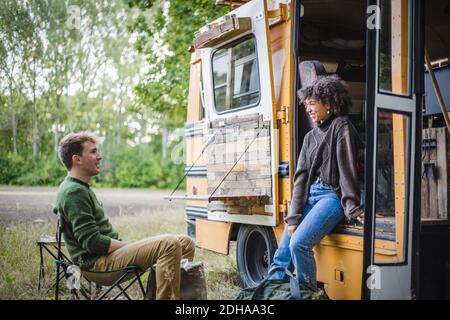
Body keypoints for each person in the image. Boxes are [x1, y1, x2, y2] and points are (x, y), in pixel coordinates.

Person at [54, 131, 195, 300]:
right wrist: (129, 245)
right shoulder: (74, 192)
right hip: (97, 265)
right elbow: (92, 242)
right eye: (93, 151)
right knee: (169, 244)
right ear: (77, 159)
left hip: (106, 258)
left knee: (185, 243)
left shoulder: (78, 187)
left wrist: (132, 247)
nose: (99, 156)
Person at [269, 75, 364, 289]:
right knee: (281, 254)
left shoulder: (342, 126)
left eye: (312, 104)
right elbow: (301, 179)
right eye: (306, 105)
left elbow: (347, 170)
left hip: (331, 197)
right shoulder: (310, 137)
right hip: (311, 195)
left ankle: (307, 293)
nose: (308, 109)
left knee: (299, 244)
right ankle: (270, 293)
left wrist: (354, 208)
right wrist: (293, 218)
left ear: (328, 103)